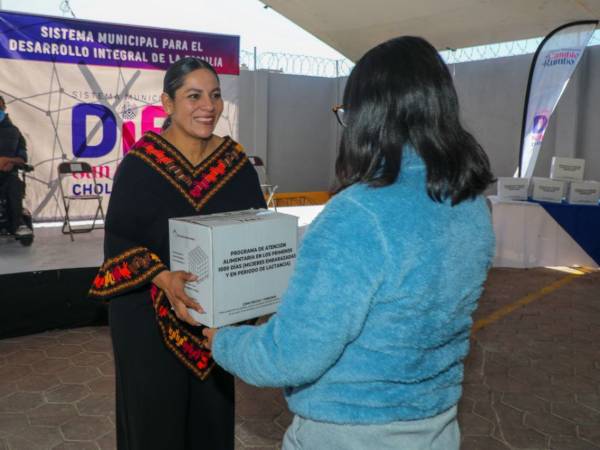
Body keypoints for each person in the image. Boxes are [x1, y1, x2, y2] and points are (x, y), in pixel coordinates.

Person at [203, 36, 496, 450]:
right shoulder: (471, 206)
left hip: (346, 433)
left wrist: (222, 340)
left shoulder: (357, 216)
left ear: (369, 116)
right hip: (436, 426)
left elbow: (291, 355)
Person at [88, 57, 266, 450]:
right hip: (147, 319)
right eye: (194, 95)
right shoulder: (140, 164)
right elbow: (119, 241)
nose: (209, 106)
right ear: (167, 104)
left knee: (211, 417)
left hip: (212, 320)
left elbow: (255, 233)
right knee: (154, 419)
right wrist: (164, 277)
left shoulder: (235, 163)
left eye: (216, 95)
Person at [0, 95, 32, 237]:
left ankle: (18, 224)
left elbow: (22, 158)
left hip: (8, 174)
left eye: (0, 107)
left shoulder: (15, 132)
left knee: (15, 185)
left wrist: (10, 161)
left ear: (4, 108)